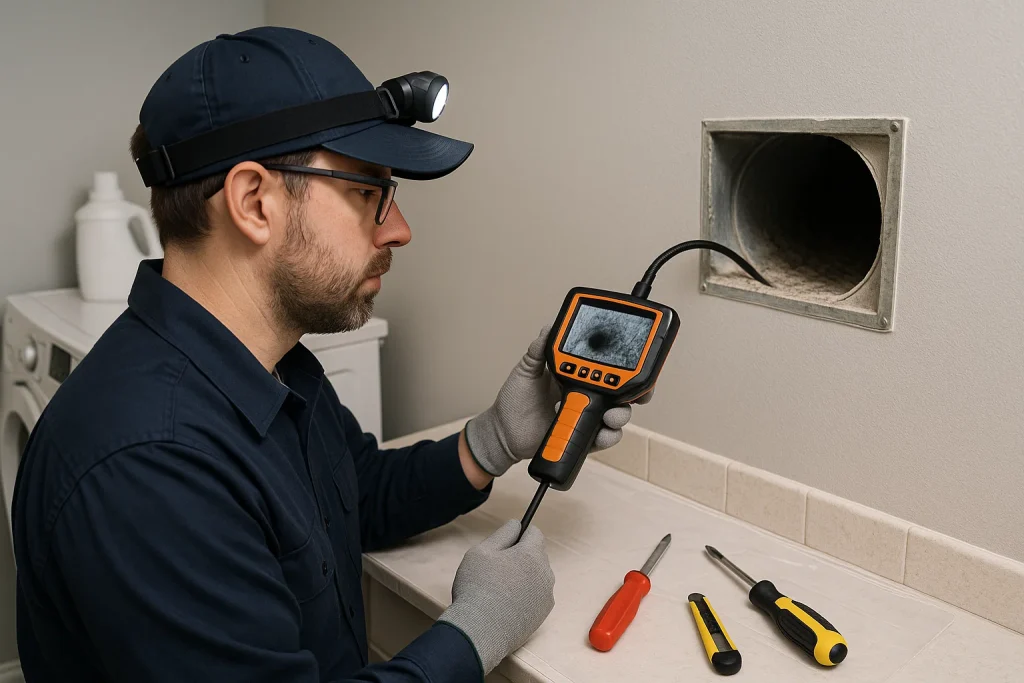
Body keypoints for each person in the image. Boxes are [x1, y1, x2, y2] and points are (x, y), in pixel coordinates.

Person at [11, 26, 641, 683]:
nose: (399, 228)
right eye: (369, 192)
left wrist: (491, 440)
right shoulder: (150, 466)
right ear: (255, 201)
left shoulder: (274, 362)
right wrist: (472, 633)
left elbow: (350, 497)